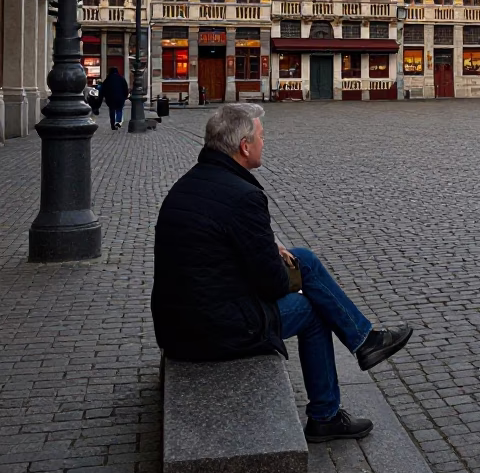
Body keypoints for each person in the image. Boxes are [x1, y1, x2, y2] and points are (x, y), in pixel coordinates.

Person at [151, 103, 413, 442]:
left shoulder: (193, 183)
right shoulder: (243, 196)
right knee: (311, 311)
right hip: (211, 329)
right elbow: (272, 284)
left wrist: (269, 247)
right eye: (261, 136)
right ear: (244, 147)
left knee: (301, 258)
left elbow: (221, 245)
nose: (265, 142)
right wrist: (283, 270)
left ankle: (364, 340)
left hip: (180, 320)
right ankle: (326, 413)